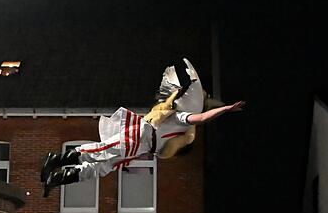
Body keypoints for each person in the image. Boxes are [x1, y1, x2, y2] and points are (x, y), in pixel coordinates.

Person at [41, 59, 244, 196]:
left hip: (144, 146)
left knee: (103, 167)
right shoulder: (178, 116)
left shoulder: (183, 130)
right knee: (102, 151)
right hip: (142, 134)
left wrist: (222, 107)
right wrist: (225, 109)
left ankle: (57, 179)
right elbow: (201, 117)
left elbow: (204, 109)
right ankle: (56, 160)